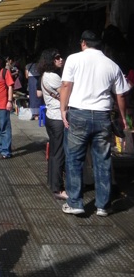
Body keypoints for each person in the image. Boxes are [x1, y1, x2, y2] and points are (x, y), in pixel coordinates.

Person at [60, 30, 130, 217]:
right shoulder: (111, 64)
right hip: (103, 116)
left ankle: (75, 202)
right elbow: (121, 94)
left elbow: (66, 85)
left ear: (83, 43)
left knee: (74, 159)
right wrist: (123, 118)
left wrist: (63, 109)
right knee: (103, 160)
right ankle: (103, 206)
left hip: (78, 113)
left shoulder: (73, 59)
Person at [37, 49, 66, 200]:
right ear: (50, 60)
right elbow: (65, 95)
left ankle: (53, 182)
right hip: (57, 118)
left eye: (60, 57)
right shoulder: (53, 76)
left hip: (51, 116)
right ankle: (58, 188)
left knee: (55, 152)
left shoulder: (45, 76)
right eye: (57, 58)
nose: (60, 60)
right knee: (59, 153)